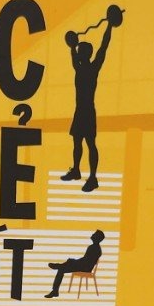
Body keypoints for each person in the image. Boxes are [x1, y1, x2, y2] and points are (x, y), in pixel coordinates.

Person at [61, 19, 114, 193]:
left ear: (86, 54)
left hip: (88, 111)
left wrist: (109, 26)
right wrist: (71, 47)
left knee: (90, 144)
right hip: (80, 111)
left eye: (79, 51)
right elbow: (73, 55)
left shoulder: (92, 68)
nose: (77, 53)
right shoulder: (78, 67)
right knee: (77, 142)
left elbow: (104, 46)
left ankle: (93, 178)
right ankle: (76, 170)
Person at [45, 231, 105, 299]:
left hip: (85, 268)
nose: (92, 234)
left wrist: (74, 261)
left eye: (94, 234)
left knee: (62, 269)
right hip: (84, 266)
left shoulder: (93, 248)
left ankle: (55, 290)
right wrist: (74, 261)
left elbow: (86, 261)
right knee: (67, 264)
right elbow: (85, 260)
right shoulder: (95, 247)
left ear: (97, 237)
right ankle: (59, 267)